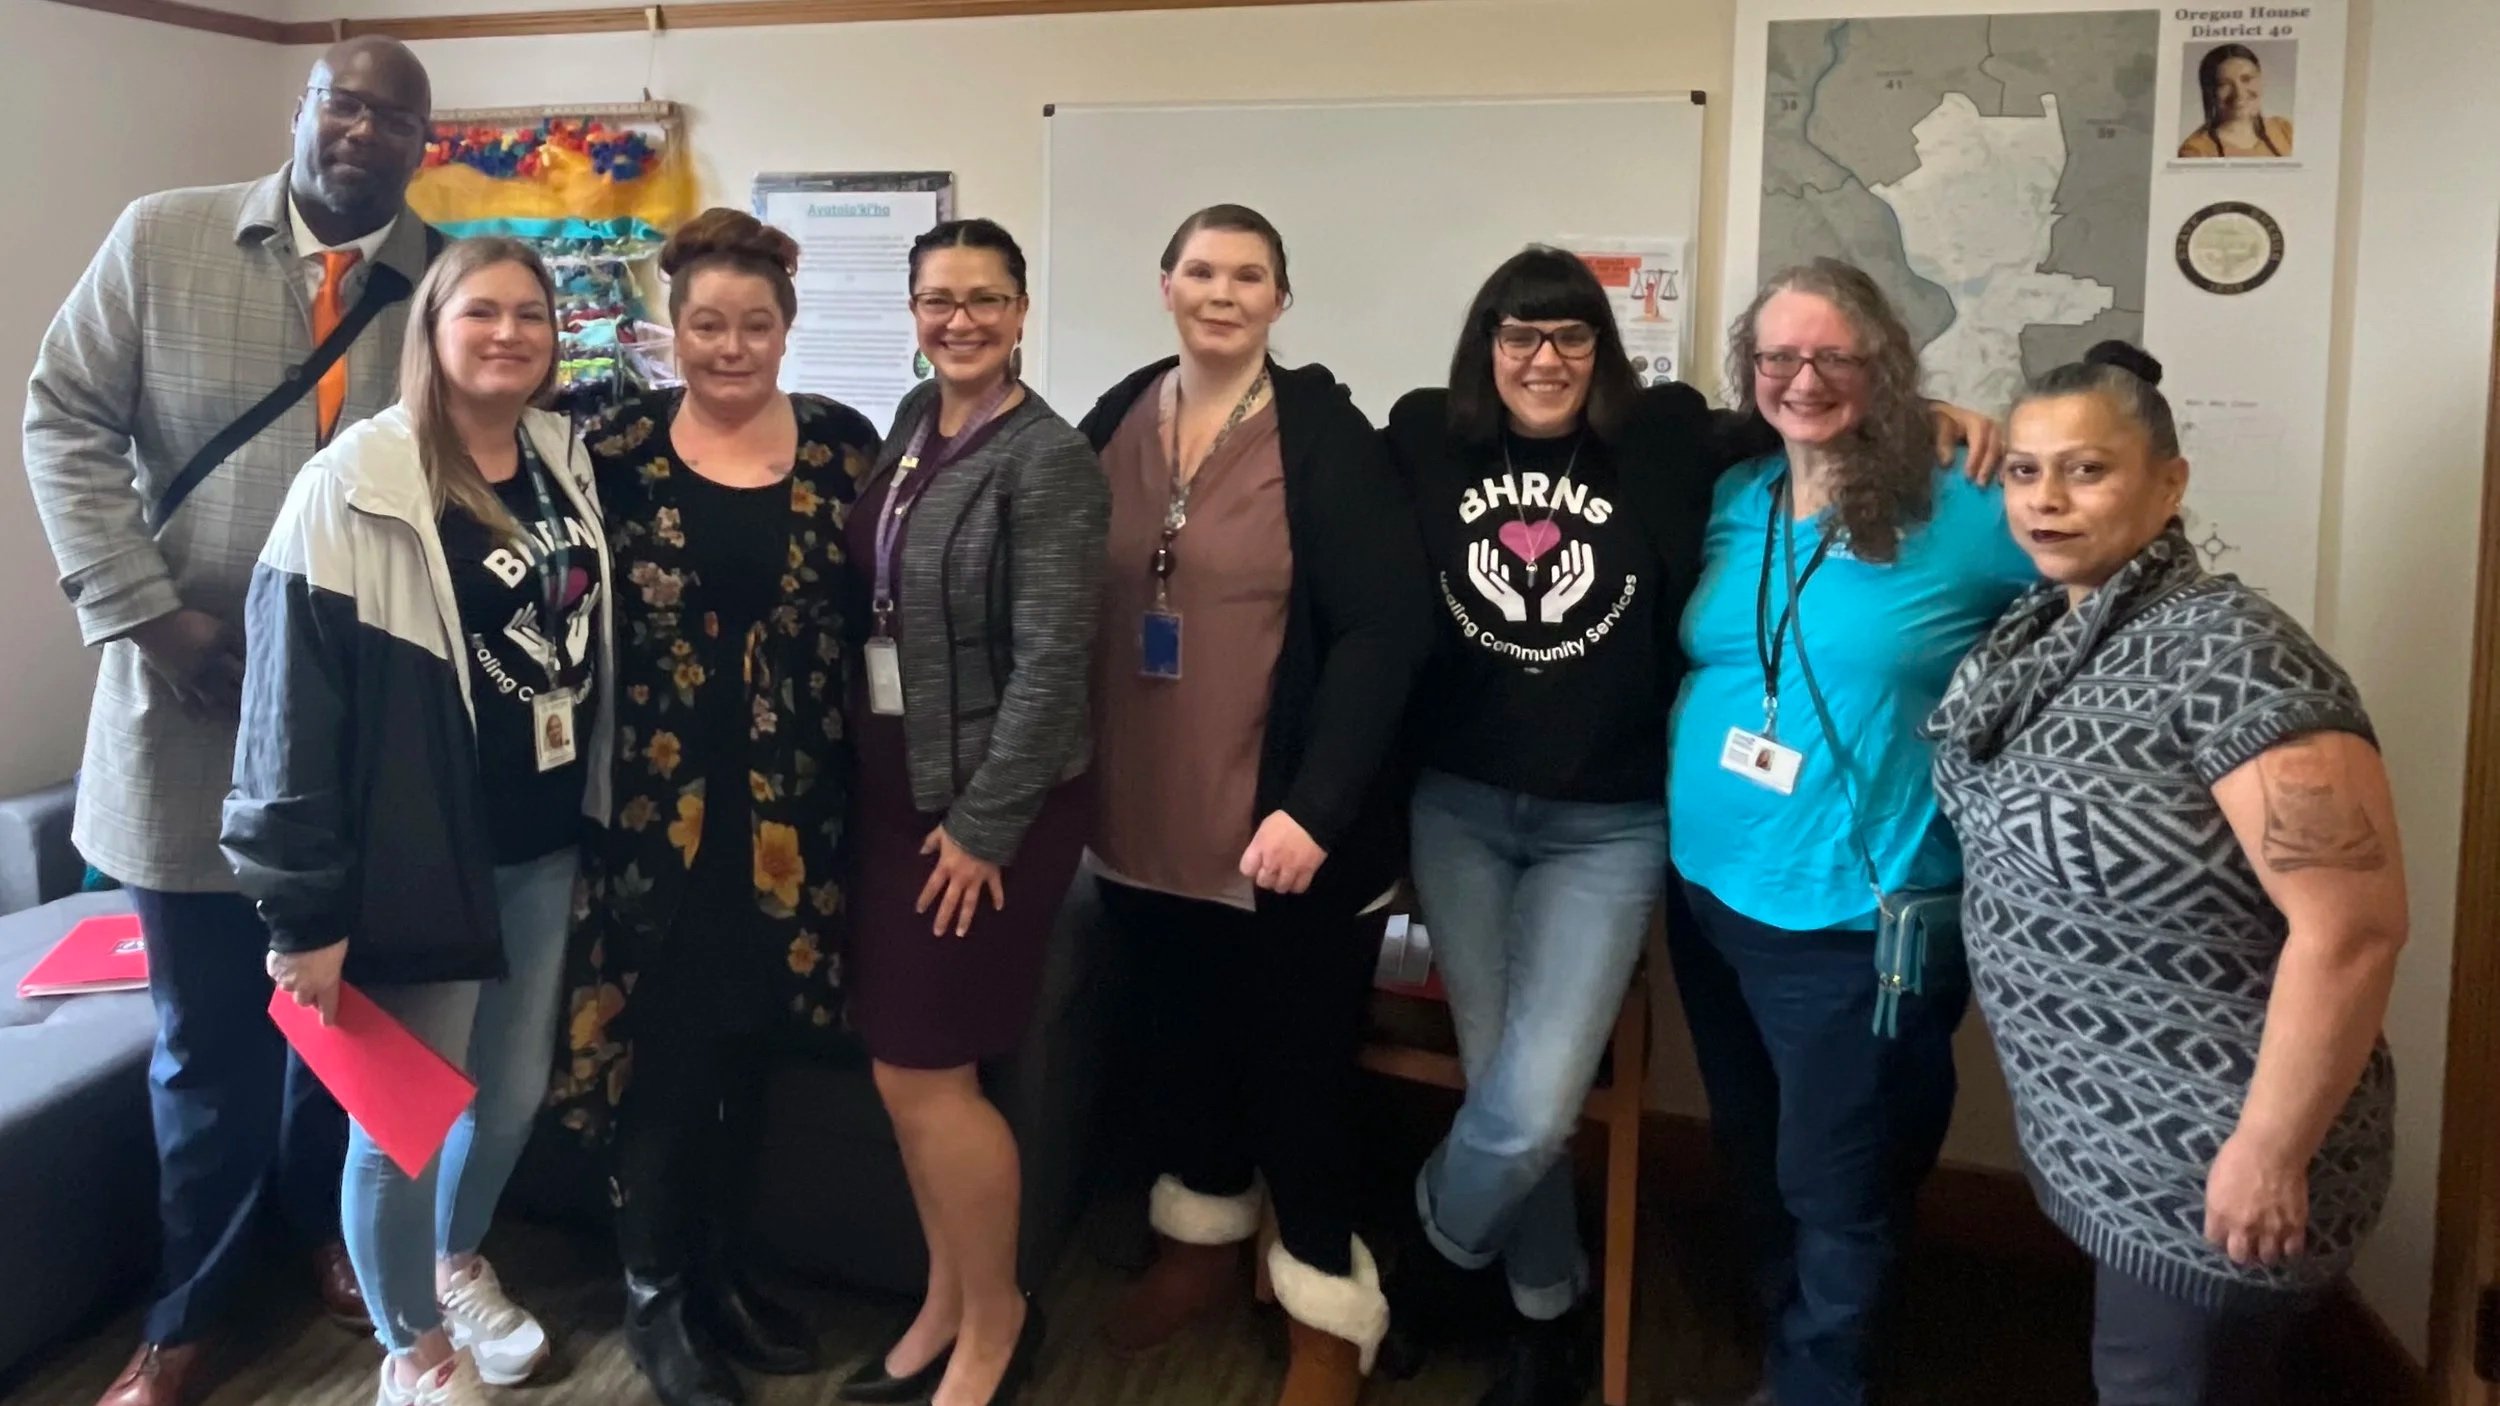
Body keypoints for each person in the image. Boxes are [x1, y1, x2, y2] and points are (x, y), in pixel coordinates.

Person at [1381, 247, 2001, 1406]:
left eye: (1570, 335)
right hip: (1480, 817)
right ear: (1484, 347)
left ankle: (1415, 1267)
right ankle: (1543, 1312)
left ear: (1604, 349)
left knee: (1529, 1110)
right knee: (1507, 1087)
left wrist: (1929, 411)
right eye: (1518, 334)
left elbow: (1831, 415)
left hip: (1624, 833)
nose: (1544, 357)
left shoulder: (1669, 440)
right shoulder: (1437, 436)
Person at [22, 37, 438, 1406]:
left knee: (346, 1017)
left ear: (421, 141)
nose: (364, 128)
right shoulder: (164, 238)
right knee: (207, 1039)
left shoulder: (445, 279)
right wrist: (148, 613)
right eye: (345, 100)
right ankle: (187, 1315)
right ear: (305, 109)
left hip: (359, 737)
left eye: (395, 114)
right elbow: (61, 418)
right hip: (185, 706)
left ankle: (328, 1232)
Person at [1930, 342, 2401, 1406]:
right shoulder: (2056, 626)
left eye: (2086, 470)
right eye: (2024, 470)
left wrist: (2270, 1151)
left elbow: (2353, 925)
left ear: (2169, 482)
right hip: (2114, 1125)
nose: (2045, 499)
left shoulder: (2235, 657)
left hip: (2210, 1148)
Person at [224, 237, 608, 1406]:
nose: (507, 333)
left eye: (530, 315)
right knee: (401, 1122)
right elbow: (286, 713)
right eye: (479, 312)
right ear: (431, 330)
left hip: (539, 843)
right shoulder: (352, 483)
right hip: (411, 864)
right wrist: (303, 910)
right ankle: (410, 1348)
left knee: (512, 1098)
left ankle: (453, 1265)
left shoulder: (559, 454)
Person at [1071, 204, 1434, 1406]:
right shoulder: (1118, 414)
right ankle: (1199, 1249)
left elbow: (1387, 633)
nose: (1221, 293)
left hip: (1283, 833)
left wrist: (1318, 809)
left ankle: (1326, 1304)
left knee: (1300, 1074)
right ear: (1163, 282)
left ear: (1282, 298)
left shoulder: (1325, 434)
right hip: (1139, 823)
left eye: (1249, 275)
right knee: (1178, 1054)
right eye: (1201, 270)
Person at [1662, 258, 2037, 1406]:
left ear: (1886, 368)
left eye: (1835, 356)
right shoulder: (1739, 497)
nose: (1803, 378)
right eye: (1778, 356)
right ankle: (1788, 1344)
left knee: (1840, 1179)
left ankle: (1817, 1383)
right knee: (1757, 1145)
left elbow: (2105, 553)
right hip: (1710, 890)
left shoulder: (1968, 504)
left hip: (1855, 916)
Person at [553, 209, 878, 1406]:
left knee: (755, 1041)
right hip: (653, 802)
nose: (729, 347)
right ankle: (657, 1294)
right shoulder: (610, 441)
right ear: (668, 328)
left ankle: (725, 1266)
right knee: (671, 1050)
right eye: (705, 325)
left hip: (799, 799)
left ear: (787, 330)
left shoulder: (846, 448)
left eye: (753, 325)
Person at [836, 217, 1105, 1406]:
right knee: (908, 1070)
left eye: (985, 299)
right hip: (894, 787)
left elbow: (1055, 661)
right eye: (939, 299)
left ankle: (996, 1319)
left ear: (1021, 308)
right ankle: (946, 1294)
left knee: (925, 1070)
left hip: (995, 805)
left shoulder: (1047, 457)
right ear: (912, 310)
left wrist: (987, 823)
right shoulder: (909, 428)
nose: (961, 319)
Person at [2178, 43, 2294, 158]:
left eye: (2246, 79)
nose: (2239, 93)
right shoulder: (2196, 151)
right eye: (2224, 84)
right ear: (2209, 91)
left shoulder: (2284, 129)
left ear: (2261, 79)